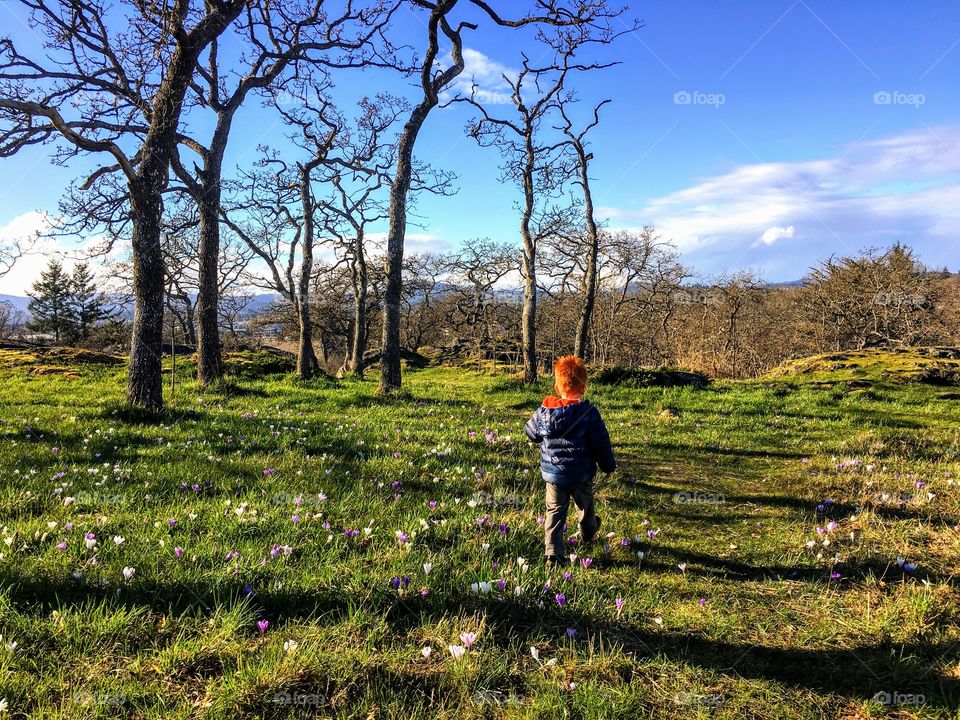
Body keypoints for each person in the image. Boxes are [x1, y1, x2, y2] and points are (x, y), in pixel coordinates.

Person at [524, 355, 616, 565]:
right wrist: (608, 465)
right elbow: (601, 442)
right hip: (581, 473)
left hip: (554, 474)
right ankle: (589, 530)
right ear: (583, 388)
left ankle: (553, 553)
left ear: (557, 387)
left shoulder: (544, 411)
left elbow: (531, 433)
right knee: (585, 505)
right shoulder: (589, 413)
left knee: (554, 511)